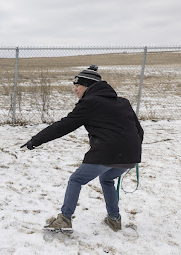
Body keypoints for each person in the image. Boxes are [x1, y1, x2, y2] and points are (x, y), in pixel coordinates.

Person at [21, 65, 144, 232]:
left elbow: (64, 125)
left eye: (77, 85)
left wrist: (35, 140)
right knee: (107, 179)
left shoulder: (90, 102)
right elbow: (139, 131)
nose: (75, 89)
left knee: (76, 180)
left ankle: (64, 219)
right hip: (132, 155)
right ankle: (114, 219)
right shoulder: (123, 102)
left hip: (107, 152)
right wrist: (131, 151)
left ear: (88, 86)